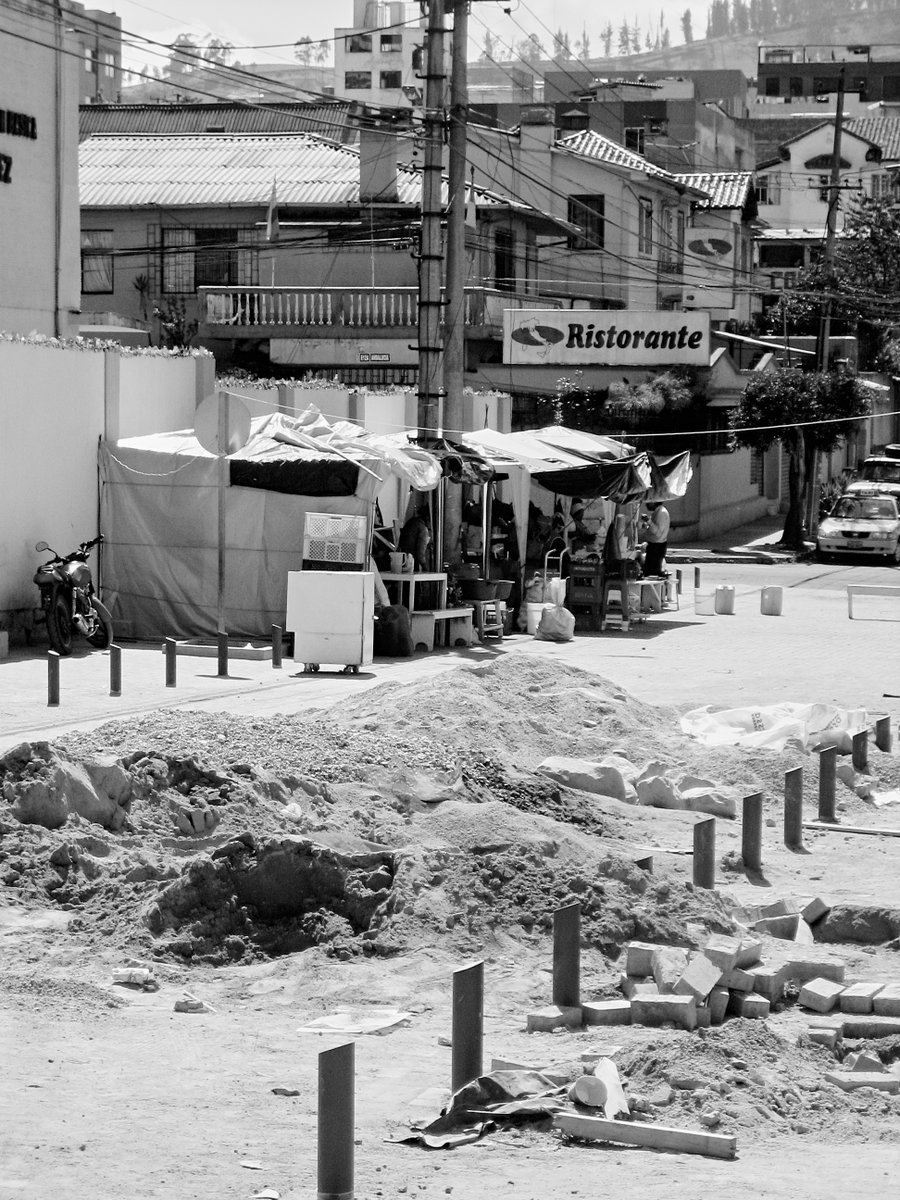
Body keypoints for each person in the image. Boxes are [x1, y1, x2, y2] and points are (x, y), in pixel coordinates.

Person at [398, 504, 432, 571]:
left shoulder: (412, 521)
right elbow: (420, 555)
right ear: (428, 518)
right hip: (410, 562)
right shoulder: (422, 528)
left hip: (400, 558)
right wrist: (426, 569)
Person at [642, 501, 670, 577]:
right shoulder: (657, 512)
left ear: (654, 502)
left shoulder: (661, 513)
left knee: (652, 573)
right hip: (654, 545)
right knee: (648, 571)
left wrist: (648, 521)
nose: (646, 504)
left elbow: (657, 532)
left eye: (648, 502)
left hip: (657, 547)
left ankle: (652, 588)